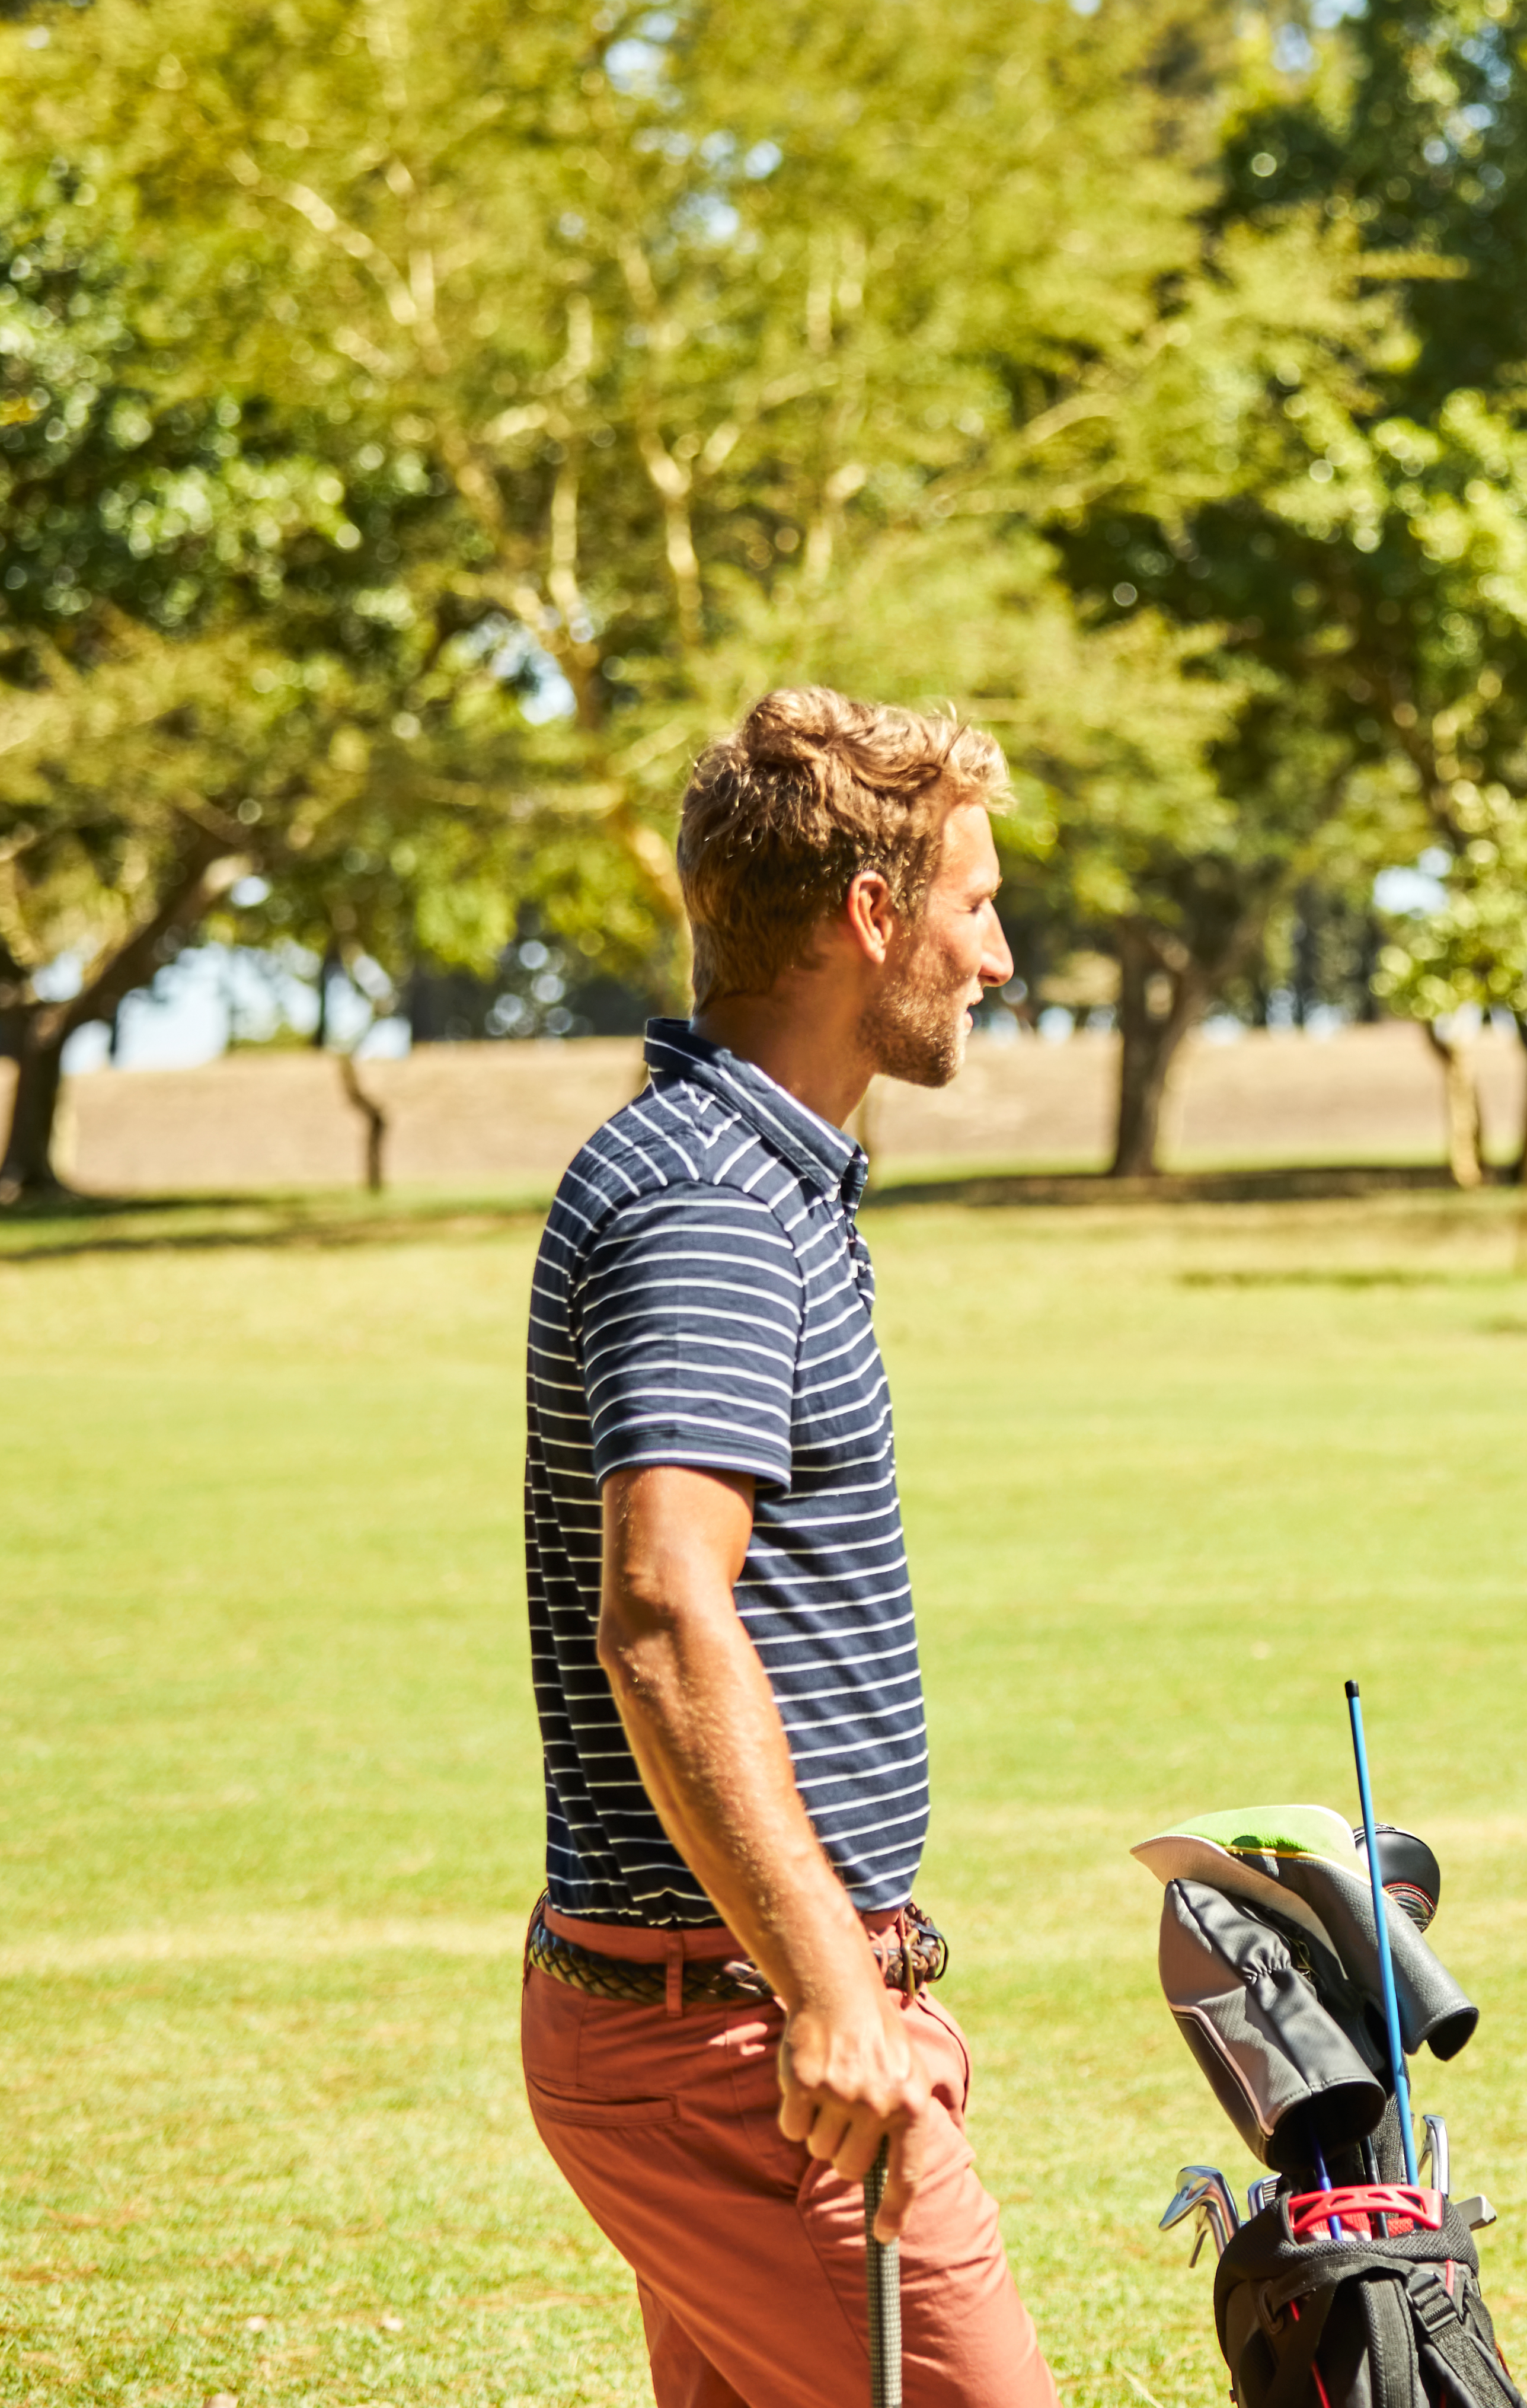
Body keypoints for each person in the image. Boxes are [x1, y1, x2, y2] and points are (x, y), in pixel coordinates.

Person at [516, 687, 1056, 2408]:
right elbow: (665, 1619)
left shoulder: (764, 1177)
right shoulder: (711, 1207)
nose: (1001, 957)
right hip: (738, 2041)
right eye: (974, 905)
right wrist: (833, 1990)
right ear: (867, 916)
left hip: (735, 2019)